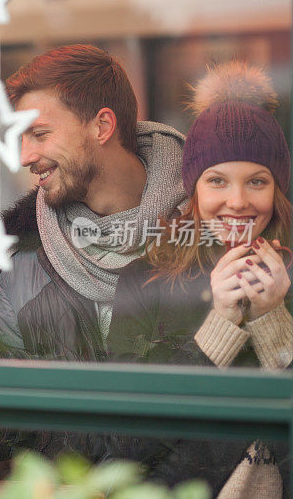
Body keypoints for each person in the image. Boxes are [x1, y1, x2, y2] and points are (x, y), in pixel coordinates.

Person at [108, 63, 291, 497]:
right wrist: (218, 328)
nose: (238, 201)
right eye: (217, 181)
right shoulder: (145, 282)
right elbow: (122, 450)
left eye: (257, 182)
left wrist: (272, 321)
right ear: (194, 190)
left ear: (278, 189)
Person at [0, 44, 188, 361]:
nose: (25, 157)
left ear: (103, 127)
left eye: (40, 134)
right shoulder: (16, 260)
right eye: (20, 138)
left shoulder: (214, 227)